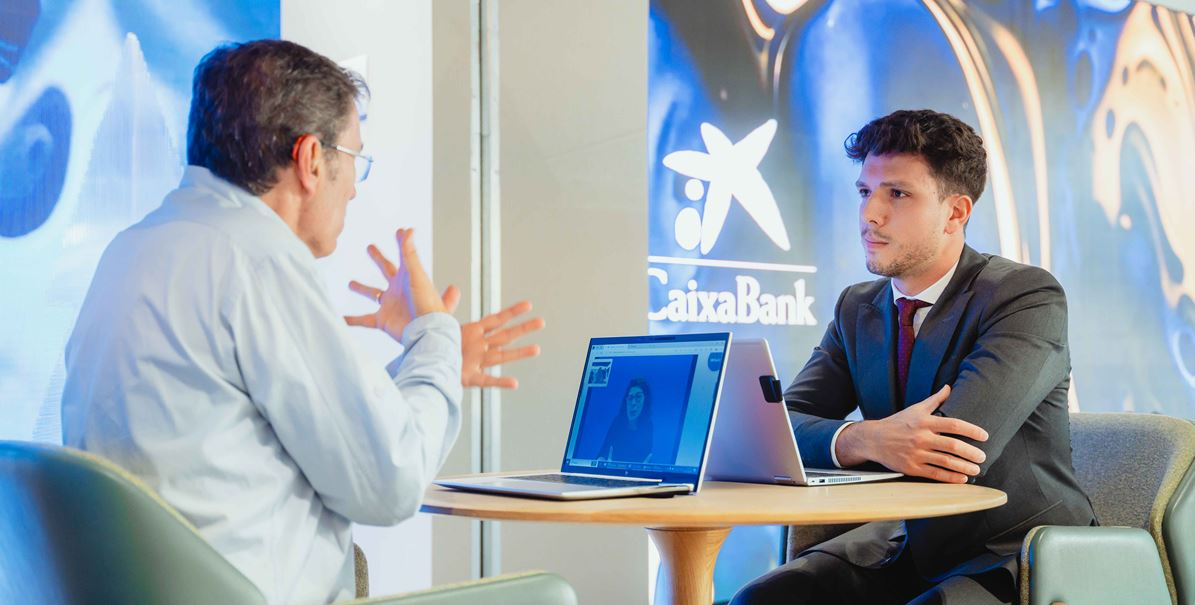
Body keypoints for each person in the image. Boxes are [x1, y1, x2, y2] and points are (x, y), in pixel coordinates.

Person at [60, 40, 543, 605]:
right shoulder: (257, 259)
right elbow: (391, 481)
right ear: (311, 159)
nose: (355, 187)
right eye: (356, 159)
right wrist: (434, 335)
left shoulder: (134, 249)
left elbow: (295, 430)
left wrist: (432, 363)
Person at [731, 109, 1096, 605]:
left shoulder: (1023, 296)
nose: (870, 214)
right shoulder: (857, 307)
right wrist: (866, 437)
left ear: (955, 213)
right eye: (865, 192)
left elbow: (952, 451)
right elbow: (777, 428)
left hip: (1013, 553)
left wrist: (862, 442)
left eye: (897, 194)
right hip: (904, 543)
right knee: (764, 598)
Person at [597, 378, 654, 463]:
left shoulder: (648, 426)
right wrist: (603, 463)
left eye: (638, 397)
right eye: (630, 398)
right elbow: (602, 454)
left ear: (645, 401)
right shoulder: (617, 422)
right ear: (626, 401)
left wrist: (643, 468)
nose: (633, 403)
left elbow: (646, 459)